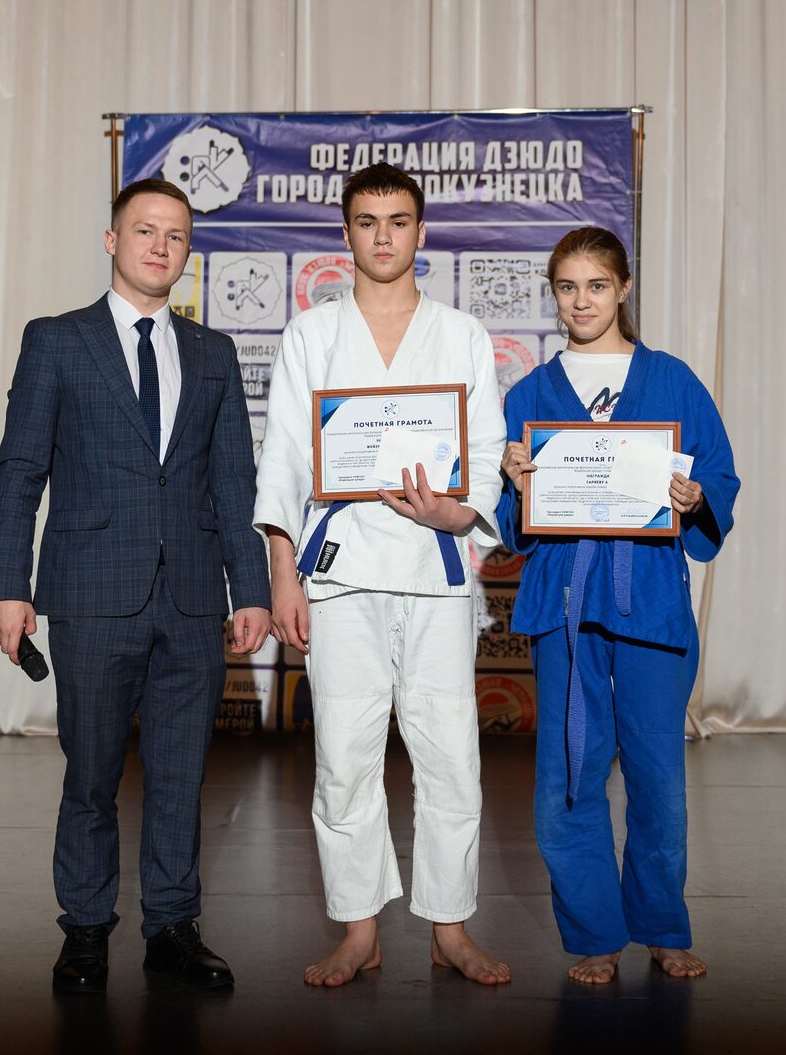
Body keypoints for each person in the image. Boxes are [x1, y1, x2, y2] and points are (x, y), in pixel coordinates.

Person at [0, 178, 272, 994]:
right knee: (91, 774)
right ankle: (84, 929)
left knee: (181, 778)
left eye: (175, 235)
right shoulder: (56, 341)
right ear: (112, 240)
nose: (159, 246)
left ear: (188, 253)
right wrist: (7, 585)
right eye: (144, 230)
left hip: (191, 600)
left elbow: (233, 483)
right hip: (90, 594)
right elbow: (20, 471)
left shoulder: (213, 354)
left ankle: (173, 927)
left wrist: (249, 588)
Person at [254, 163, 511, 988]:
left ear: (421, 231)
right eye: (367, 222)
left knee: (450, 756)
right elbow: (284, 458)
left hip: (435, 568)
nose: (384, 236)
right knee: (344, 756)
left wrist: (457, 514)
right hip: (340, 574)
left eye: (399, 220)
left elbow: (484, 455)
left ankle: (450, 927)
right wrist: (283, 576)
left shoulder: (462, 334)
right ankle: (359, 928)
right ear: (346, 234)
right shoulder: (311, 334)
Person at [496, 226, 739, 983]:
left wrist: (695, 496)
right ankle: (594, 932)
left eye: (597, 285)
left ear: (624, 288)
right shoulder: (531, 394)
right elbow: (512, 528)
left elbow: (720, 474)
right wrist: (516, 482)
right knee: (569, 773)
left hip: (651, 599)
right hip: (565, 599)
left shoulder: (672, 380)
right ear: (553, 293)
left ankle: (661, 924)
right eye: (567, 287)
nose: (582, 301)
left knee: (658, 775)